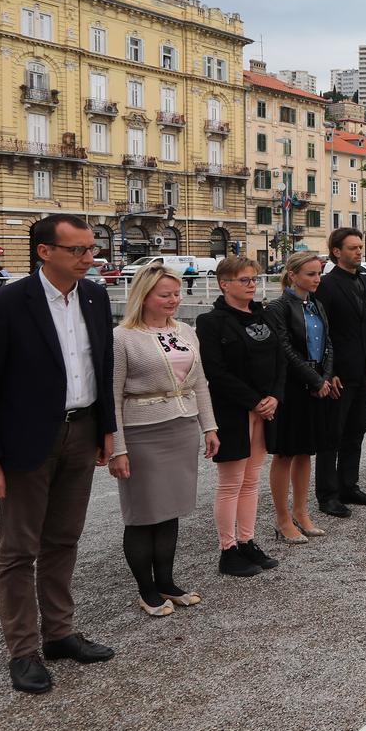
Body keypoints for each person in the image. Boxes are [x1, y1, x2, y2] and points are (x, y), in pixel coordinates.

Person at [0, 213, 117, 694]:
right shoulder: (4, 305)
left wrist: (107, 431)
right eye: (78, 250)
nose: (89, 258)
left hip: (82, 430)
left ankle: (60, 633)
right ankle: (23, 650)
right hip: (27, 440)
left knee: (64, 539)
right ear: (45, 252)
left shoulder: (94, 297)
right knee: (18, 549)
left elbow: (102, 367)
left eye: (91, 249)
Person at [109, 264, 219, 617]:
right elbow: (112, 395)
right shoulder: (122, 338)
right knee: (143, 513)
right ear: (144, 296)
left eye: (176, 293)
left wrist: (209, 427)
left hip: (181, 427)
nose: (174, 300)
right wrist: (117, 448)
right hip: (142, 432)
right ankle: (147, 589)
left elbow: (199, 382)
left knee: (170, 510)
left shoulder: (185, 330)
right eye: (165, 295)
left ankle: (167, 582)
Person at [196, 256, 283, 579]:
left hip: (265, 408)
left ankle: (247, 540)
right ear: (224, 284)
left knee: (251, 480)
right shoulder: (211, 322)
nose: (251, 285)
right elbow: (216, 371)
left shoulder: (265, 316)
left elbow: (280, 359)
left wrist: (275, 396)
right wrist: (254, 401)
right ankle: (228, 548)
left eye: (254, 280)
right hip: (234, 410)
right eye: (244, 280)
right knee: (231, 482)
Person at [262, 251, 337, 543]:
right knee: (285, 452)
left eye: (319, 274)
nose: (317, 279)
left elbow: (328, 343)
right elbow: (284, 348)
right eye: (311, 274)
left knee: (306, 450)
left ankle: (301, 512)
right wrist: (315, 379)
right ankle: (282, 518)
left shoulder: (316, 304)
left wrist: (325, 377)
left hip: (316, 383)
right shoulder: (278, 307)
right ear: (292, 275)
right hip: (292, 386)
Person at [315, 228, 366, 518]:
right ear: (336, 251)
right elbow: (323, 332)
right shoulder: (326, 286)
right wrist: (329, 372)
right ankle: (327, 494)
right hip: (339, 373)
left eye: (360, 247)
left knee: (356, 432)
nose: (359, 251)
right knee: (332, 435)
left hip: (364, 370)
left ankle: (348, 485)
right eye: (352, 247)